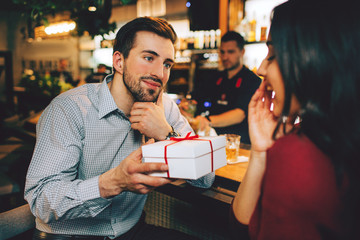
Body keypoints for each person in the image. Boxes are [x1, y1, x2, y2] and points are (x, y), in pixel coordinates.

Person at [25, 17, 215, 240]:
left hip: (131, 229)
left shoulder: (163, 108)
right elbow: (41, 201)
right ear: (119, 61)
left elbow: (206, 178)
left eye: (167, 64)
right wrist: (113, 182)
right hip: (72, 234)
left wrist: (166, 134)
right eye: (148, 57)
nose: (160, 73)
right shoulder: (70, 109)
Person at [231, 0, 360, 239]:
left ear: (315, 58)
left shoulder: (297, 154)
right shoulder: (336, 137)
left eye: (274, 54)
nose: (261, 68)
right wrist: (261, 151)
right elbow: (248, 217)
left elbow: (247, 226)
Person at [187, 31, 261, 144]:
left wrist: (207, 121)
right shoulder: (216, 78)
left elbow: (239, 114)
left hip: (239, 143)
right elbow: (196, 98)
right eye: (222, 52)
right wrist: (188, 105)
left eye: (230, 52)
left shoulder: (252, 80)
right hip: (213, 140)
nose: (225, 57)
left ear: (242, 52)